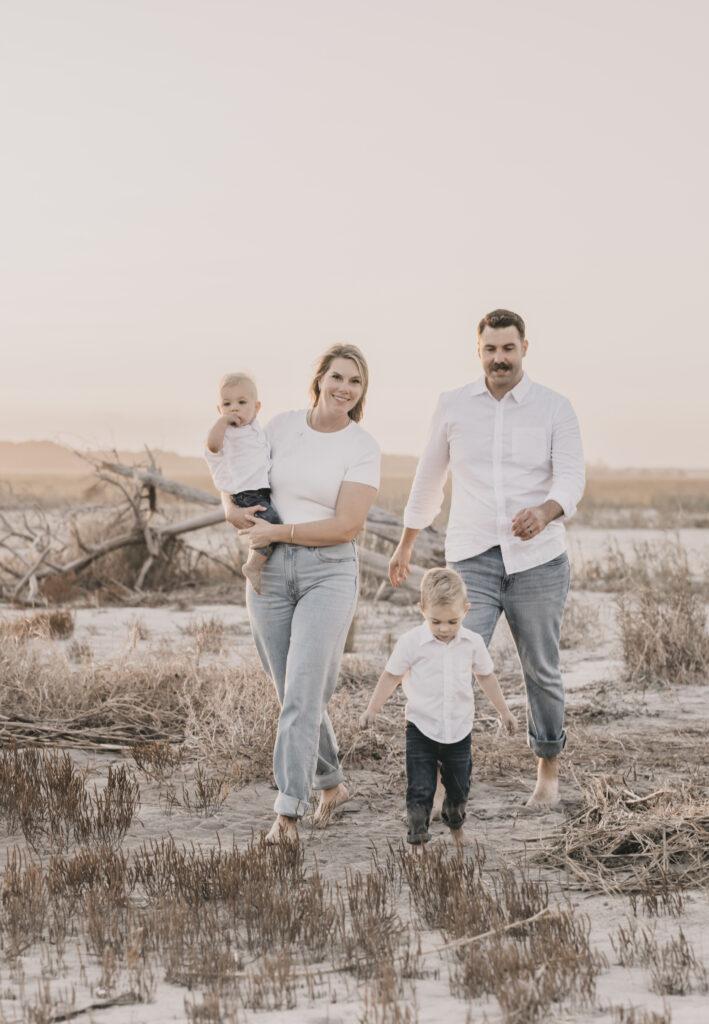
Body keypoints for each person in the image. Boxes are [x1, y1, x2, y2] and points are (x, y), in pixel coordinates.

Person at [389, 309, 585, 809]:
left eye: (508, 349)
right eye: (490, 350)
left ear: (524, 348)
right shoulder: (453, 406)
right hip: (471, 554)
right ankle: (436, 781)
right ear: (478, 351)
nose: (499, 358)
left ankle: (547, 772)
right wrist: (407, 542)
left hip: (537, 559)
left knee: (540, 668)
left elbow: (571, 479)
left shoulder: (554, 407)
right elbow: (429, 478)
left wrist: (545, 511)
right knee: (446, 663)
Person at [237, 344, 380, 843]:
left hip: (329, 574)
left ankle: (288, 815)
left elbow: (347, 526)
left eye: (355, 382)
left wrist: (277, 534)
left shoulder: (362, 447)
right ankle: (333, 785)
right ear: (319, 378)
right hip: (268, 574)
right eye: (337, 376)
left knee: (302, 691)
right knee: (291, 693)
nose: (344, 387)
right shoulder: (278, 427)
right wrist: (234, 511)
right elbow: (241, 475)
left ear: (362, 391)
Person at [360, 567, 517, 847]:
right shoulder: (411, 643)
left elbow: (486, 677)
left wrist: (504, 712)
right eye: (436, 622)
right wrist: (372, 709)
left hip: (458, 729)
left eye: (452, 621)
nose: (444, 629)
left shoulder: (473, 643)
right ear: (422, 610)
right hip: (421, 728)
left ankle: (456, 828)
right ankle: (418, 840)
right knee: (419, 790)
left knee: (458, 791)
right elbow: (391, 676)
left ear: (466, 611)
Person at [205, 372, 281, 594]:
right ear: (219, 410)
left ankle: (257, 562)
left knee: (270, 525)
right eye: (227, 404)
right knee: (272, 524)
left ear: (256, 408)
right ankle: (253, 566)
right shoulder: (226, 433)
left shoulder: (256, 430)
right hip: (246, 494)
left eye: (241, 402)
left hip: (259, 492)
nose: (234, 408)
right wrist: (222, 422)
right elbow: (212, 445)